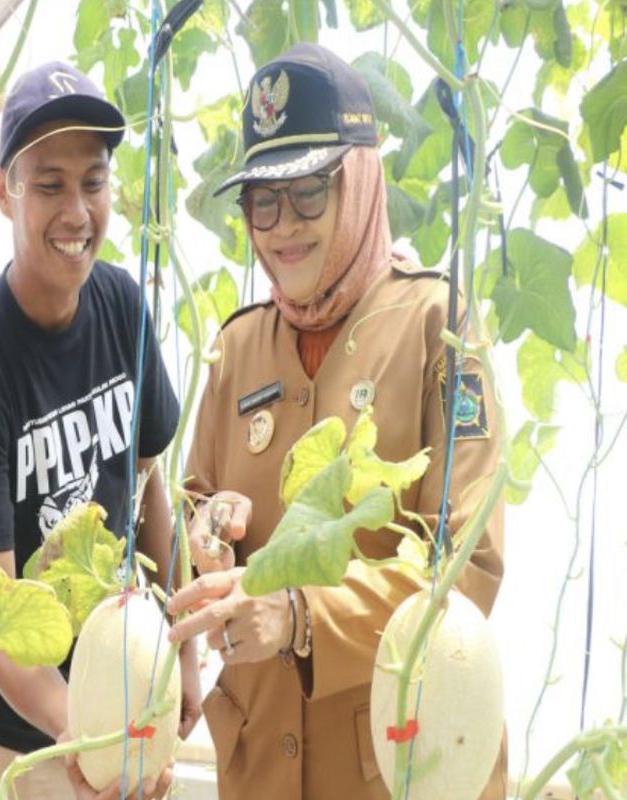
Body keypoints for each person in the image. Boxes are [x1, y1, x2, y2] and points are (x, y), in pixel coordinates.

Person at [165, 44, 507, 799]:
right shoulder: (237, 346)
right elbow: (196, 511)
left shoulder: (437, 329)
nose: (283, 226)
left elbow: (467, 564)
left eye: (310, 193)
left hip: (399, 768)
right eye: (264, 199)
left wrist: (301, 616)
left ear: (358, 181)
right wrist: (206, 539)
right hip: (260, 769)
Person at [0, 61, 199, 798]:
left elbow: (150, 495)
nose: (77, 211)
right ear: (4, 190)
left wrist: (185, 661)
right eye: (49, 185)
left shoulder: (119, 304)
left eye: (93, 181)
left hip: (124, 717)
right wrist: (79, 735)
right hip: (23, 745)